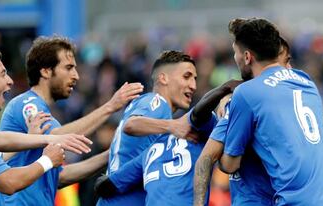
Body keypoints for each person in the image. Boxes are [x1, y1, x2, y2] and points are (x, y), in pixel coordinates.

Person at [0, 36, 144, 206]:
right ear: (45, 71)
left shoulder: (48, 115)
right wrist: (110, 106)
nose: (76, 76)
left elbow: (59, 177)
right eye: (68, 68)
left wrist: (112, 152)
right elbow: (55, 136)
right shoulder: (26, 104)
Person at [217, 18, 323, 205]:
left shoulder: (247, 93)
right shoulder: (307, 82)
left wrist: (227, 104)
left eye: (235, 53)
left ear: (246, 57)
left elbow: (230, 164)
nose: (235, 59)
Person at [94, 79, 241, 206]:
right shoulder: (205, 128)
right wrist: (225, 90)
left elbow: (105, 185)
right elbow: (199, 114)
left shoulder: (149, 152)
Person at [0, 49, 81, 205]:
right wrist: (47, 159)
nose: (10, 80)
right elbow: (8, 182)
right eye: (3, 74)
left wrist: (32, 137)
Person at [194, 36, 292, 206]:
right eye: (284, 62)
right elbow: (207, 159)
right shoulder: (240, 104)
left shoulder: (291, 103)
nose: (289, 68)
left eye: (288, 62)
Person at [96, 50, 198, 206]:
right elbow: (132, 125)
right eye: (186, 77)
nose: (193, 85)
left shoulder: (153, 114)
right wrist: (173, 125)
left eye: (195, 79)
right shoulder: (157, 102)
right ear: (163, 78)